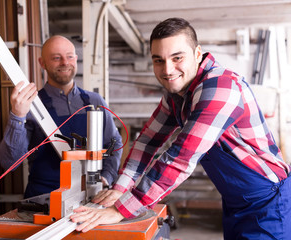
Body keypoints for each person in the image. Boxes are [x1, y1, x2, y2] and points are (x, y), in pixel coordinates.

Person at [70, 18, 291, 239]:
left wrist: (120, 209)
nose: (167, 70)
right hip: (236, 199)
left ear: (197, 54)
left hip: (268, 200)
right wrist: (119, 189)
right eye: (159, 60)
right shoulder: (177, 95)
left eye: (177, 58)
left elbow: (181, 158)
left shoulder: (222, 88)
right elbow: (148, 141)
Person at [0, 35, 123, 199]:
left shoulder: (95, 101)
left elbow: (114, 143)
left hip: (90, 197)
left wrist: (106, 176)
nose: (65, 62)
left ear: (76, 59)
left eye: (69, 56)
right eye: (56, 58)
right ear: (42, 63)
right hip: (44, 199)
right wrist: (18, 115)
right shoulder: (32, 105)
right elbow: (9, 163)